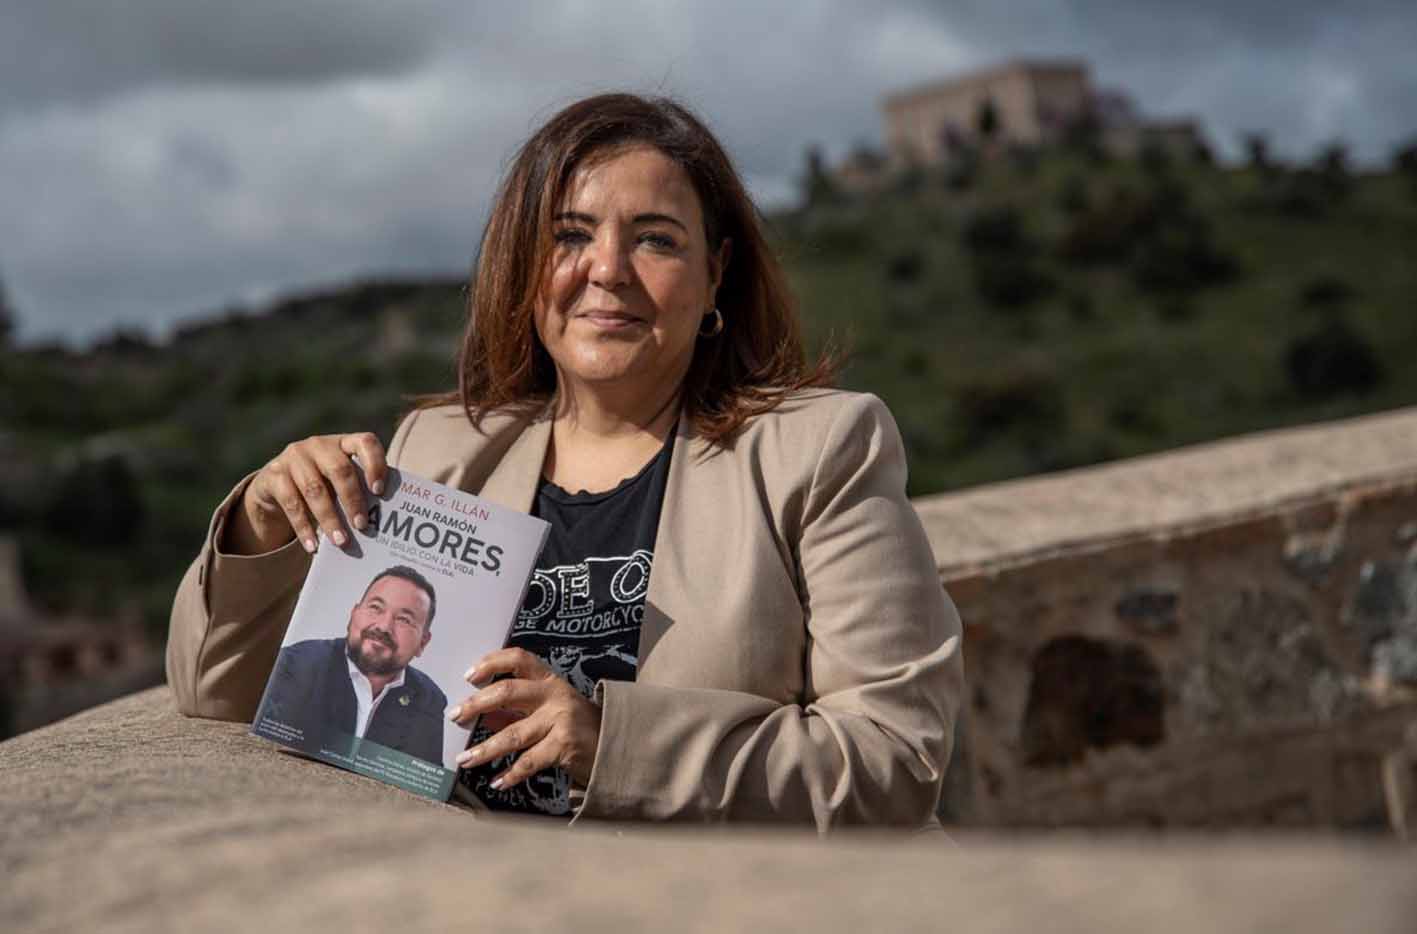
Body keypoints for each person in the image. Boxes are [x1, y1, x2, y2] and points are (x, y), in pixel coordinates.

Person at [167, 93, 963, 830]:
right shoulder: (438, 450)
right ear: (525, 266)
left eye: (655, 238)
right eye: (569, 235)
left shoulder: (820, 448)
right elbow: (217, 693)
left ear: (715, 270)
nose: (606, 269)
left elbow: (896, 756)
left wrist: (611, 744)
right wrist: (263, 521)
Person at [255, 565, 448, 764]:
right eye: (375, 608)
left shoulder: (429, 699)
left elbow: (416, 778)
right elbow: (269, 748)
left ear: (423, 643)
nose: (383, 626)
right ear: (354, 613)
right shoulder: (297, 663)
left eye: (404, 620)